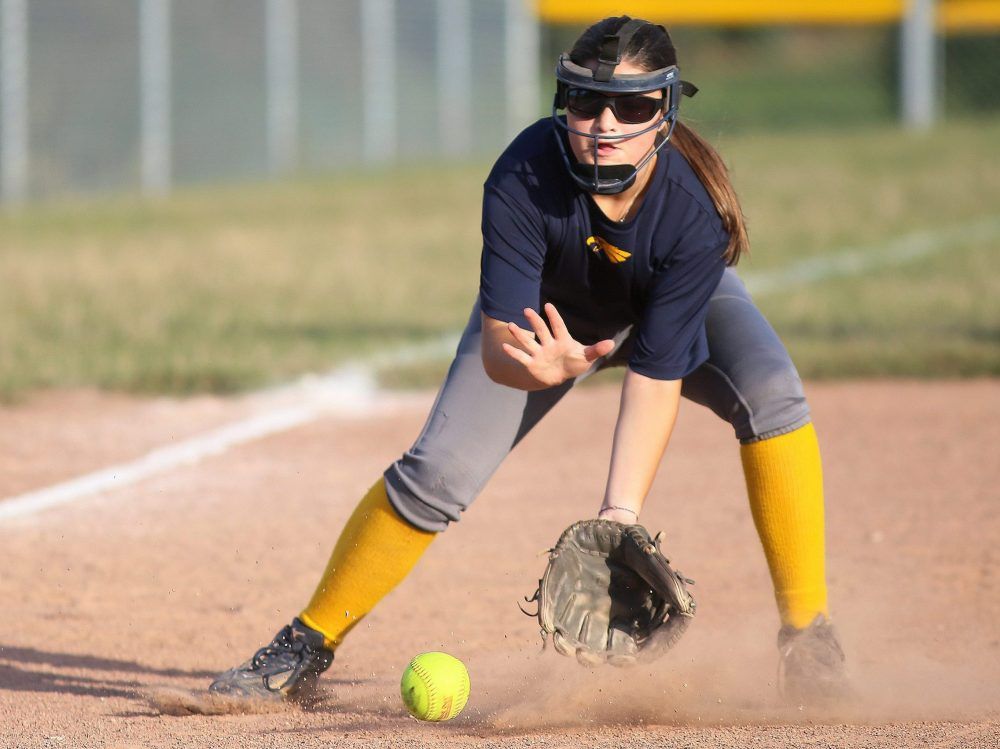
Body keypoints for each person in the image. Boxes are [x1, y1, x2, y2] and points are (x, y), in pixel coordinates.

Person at [209, 16, 849, 705]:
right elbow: (498, 347)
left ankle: (808, 636)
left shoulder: (692, 216)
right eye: (584, 101)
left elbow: (656, 377)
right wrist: (536, 370)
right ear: (561, 102)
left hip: (666, 304)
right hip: (548, 324)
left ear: (665, 111)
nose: (605, 121)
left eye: (631, 106)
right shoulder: (522, 176)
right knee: (437, 469)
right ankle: (305, 643)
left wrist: (620, 515)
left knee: (773, 392)